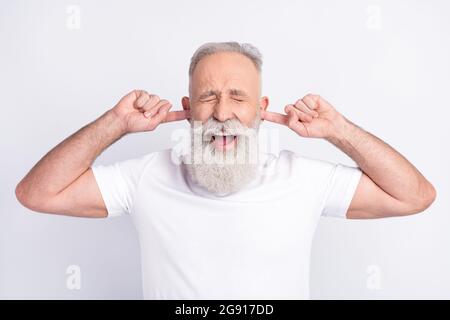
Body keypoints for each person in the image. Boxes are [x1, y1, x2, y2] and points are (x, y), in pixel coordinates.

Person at [15, 42, 436, 299]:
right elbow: (38, 193)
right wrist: (116, 123)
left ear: (261, 109)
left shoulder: (302, 179)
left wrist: (339, 132)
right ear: (188, 108)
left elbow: (414, 195)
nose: (222, 113)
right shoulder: (145, 177)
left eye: (238, 97)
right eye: (208, 96)